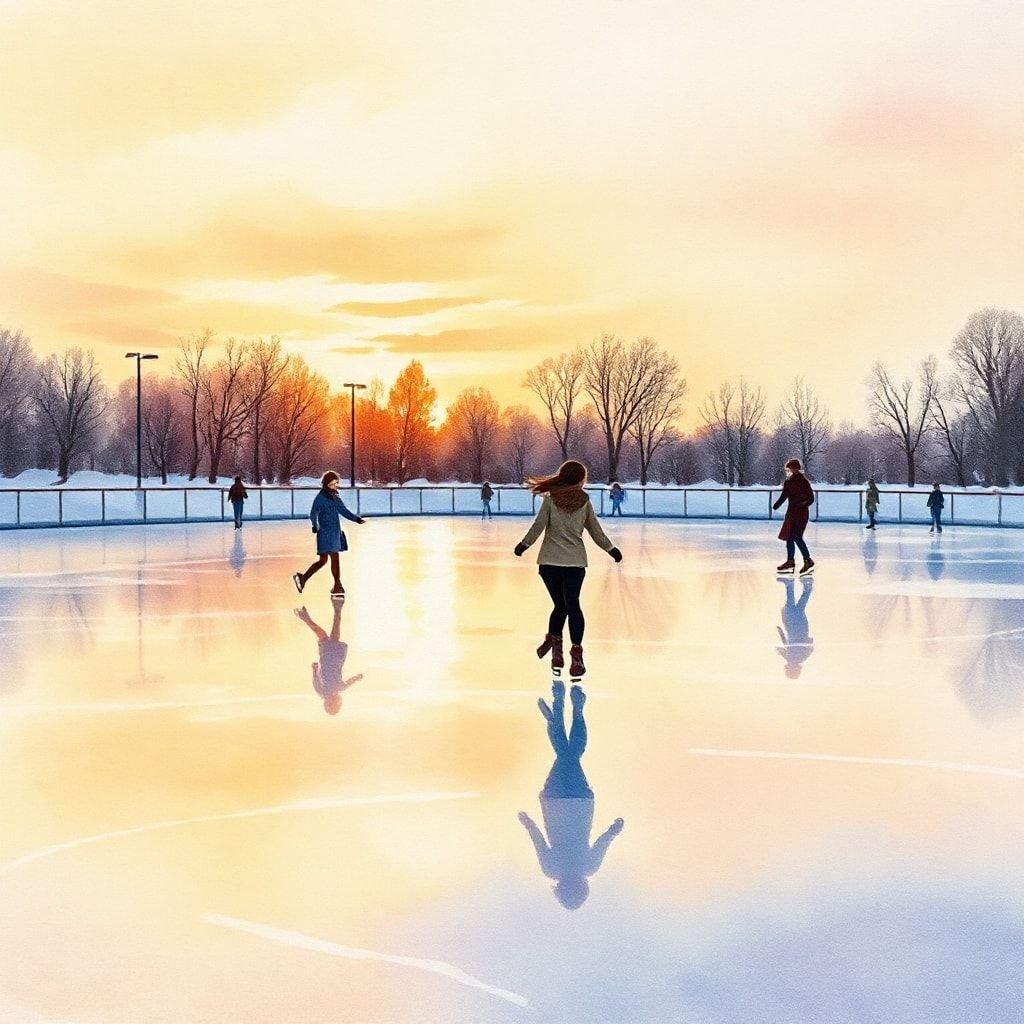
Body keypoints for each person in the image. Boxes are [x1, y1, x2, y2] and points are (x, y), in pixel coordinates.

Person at [518, 681, 623, 909]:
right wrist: (526, 821)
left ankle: (572, 708)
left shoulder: (589, 867)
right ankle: (556, 714)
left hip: (580, 803)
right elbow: (537, 838)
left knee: (571, 755)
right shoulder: (551, 869)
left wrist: (615, 829)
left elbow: (604, 840)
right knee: (567, 754)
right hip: (554, 800)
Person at [514, 460, 622, 679]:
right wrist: (611, 549)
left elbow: (538, 526)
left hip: (549, 564)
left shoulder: (551, 499)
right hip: (574, 564)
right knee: (572, 605)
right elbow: (595, 531)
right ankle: (576, 655)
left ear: (562, 476)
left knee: (560, 606)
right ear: (581, 479)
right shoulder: (584, 502)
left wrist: (523, 545)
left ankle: (555, 650)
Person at [292, 471, 365, 597]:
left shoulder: (335, 498)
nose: (335, 486)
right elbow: (313, 513)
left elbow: (344, 511)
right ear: (326, 485)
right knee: (334, 558)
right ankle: (337, 586)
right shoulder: (320, 498)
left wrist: (356, 519)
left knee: (323, 560)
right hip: (325, 533)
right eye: (332, 484)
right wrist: (315, 525)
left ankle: (303, 578)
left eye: (336, 483)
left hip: (335, 532)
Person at [294, 604, 363, 715]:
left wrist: (314, 669)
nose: (339, 703)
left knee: (329, 635)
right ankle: (306, 617)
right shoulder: (337, 688)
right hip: (331, 658)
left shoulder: (326, 691)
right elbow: (350, 682)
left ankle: (336, 610)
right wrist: (357, 677)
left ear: (332, 703)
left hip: (332, 658)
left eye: (337, 705)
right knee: (324, 636)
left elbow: (315, 681)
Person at [773, 458, 815, 576]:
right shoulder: (791, 482)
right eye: (790, 469)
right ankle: (790, 561)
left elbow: (811, 498)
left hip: (800, 514)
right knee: (790, 537)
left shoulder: (802, 482)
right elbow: (784, 495)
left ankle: (808, 560)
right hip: (793, 513)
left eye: (791, 468)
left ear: (796, 469)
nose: (790, 470)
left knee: (796, 536)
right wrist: (777, 504)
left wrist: (802, 504)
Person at [776, 576, 814, 679]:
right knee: (792, 608)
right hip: (797, 629)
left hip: (798, 629)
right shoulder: (794, 658)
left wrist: (781, 632)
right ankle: (795, 585)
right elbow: (785, 646)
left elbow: (810, 646)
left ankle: (803, 586)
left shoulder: (797, 658)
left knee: (796, 608)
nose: (786, 668)